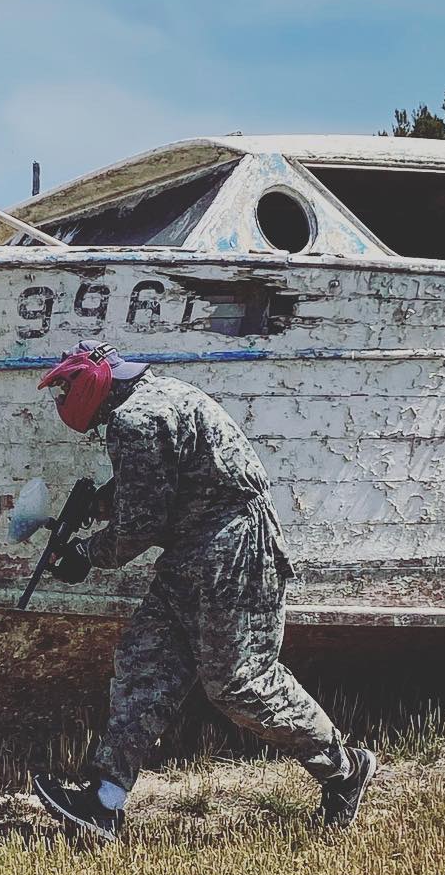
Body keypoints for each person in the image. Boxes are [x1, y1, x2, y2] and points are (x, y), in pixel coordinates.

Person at [29, 342, 377, 841]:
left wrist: (86, 554)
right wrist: (102, 505)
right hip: (195, 553)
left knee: (239, 683)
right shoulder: (152, 399)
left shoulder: (135, 420)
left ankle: (346, 768)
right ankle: (104, 802)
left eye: (65, 389)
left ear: (90, 385)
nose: (63, 399)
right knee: (144, 665)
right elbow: (171, 483)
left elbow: (141, 525)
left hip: (232, 551)